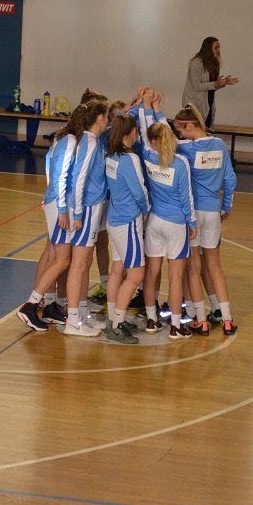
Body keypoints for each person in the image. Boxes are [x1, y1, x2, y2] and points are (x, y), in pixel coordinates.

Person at [16, 105, 85, 331]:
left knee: (56, 256)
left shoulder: (63, 137)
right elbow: (60, 175)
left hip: (56, 202)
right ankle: (31, 305)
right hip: (59, 205)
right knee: (61, 259)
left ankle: (49, 305)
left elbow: (48, 161)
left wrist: (50, 194)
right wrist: (60, 205)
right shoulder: (70, 141)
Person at [173, 101, 238, 337]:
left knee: (193, 267)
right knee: (215, 266)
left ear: (190, 126)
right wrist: (226, 206)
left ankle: (201, 320)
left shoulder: (186, 149)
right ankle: (227, 319)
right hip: (213, 212)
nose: (180, 135)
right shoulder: (220, 145)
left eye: (181, 130)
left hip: (193, 213)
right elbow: (230, 179)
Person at [137, 91, 197, 341]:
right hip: (176, 224)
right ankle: (175, 325)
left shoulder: (148, 156)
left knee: (152, 273)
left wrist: (147, 105)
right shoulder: (180, 163)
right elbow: (186, 198)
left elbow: (145, 131)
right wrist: (192, 223)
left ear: (153, 142)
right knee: (175, 276)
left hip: (154, 222)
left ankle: (151, 319)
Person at [65, 100, 110, 337]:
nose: (108, 121)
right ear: (100, 119)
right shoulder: (89, 143)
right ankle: (73, 320)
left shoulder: (93, 140)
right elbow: (78, 178)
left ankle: (81, 314)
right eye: (107, 117)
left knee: (85, 263)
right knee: (79, 264)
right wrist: (78, 212)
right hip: (86, 209)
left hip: (92, 207)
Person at [104, 113, 150, 345]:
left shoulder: (111, 155)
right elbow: (139, 191)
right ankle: (117, 325)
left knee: (117, 270)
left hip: (114, 219)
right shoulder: (129, 158)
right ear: (131, 132)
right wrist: (146, 209)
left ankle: (113, 318)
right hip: (128, 222)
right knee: (136, 274)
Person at [182, 37, 239, 129]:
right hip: (194, 105)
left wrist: (223, 83)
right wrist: (216, 83)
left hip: (208, 104)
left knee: (207, 131)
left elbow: (211, 87)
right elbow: (196, 86)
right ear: (208, 49)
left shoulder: (215, 63)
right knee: (195, 132)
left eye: (219, 47)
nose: (218, 51)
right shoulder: (196, 63)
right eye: (216, 48)